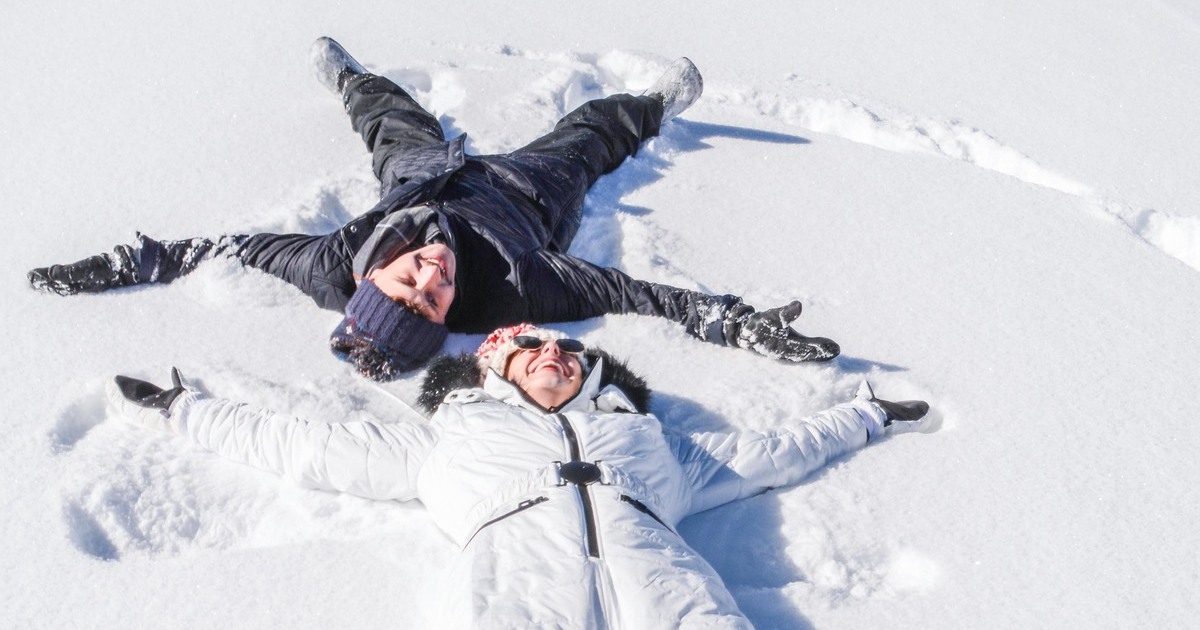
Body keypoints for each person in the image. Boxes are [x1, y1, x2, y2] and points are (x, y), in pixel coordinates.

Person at [28, 38, 840, 381]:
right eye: (434, 298)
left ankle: (348, 78)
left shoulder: (327, 264)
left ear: (371, 277)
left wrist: (121, 265)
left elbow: (223, 248)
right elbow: (635, 296)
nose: (431, 274)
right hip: (526, 194)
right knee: (589, 137)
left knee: (390, 121)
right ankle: (659, 104)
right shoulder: (521, 288)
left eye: (406, 283)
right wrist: (731, 323)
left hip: (420, 183)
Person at [107, 323, 930, 628]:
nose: (553, 353)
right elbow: (306, 447)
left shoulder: (651, 443)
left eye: (566, 350)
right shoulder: (450, 439)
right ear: (491, 373)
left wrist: (861, 416)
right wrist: (187, 410)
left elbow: (769, 454)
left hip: (667, 582)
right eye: (525, 347)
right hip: (519, 582)